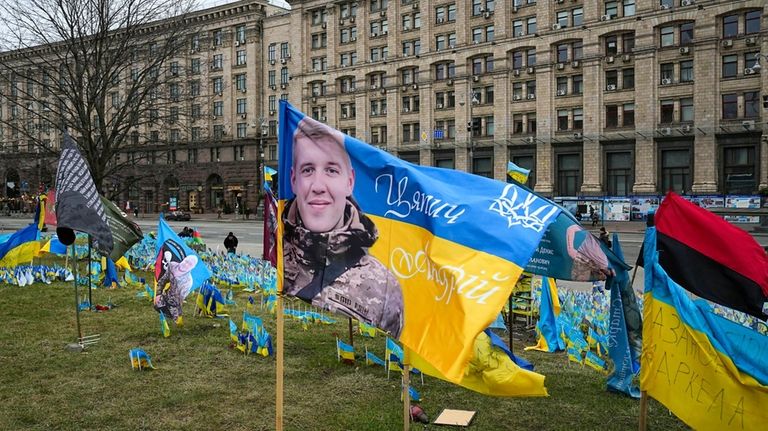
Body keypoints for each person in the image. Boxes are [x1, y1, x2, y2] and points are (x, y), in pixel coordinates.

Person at [282, 116, 403, 338]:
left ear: (349, 181)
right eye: (308, 170)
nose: (318, 186)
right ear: (293, 180)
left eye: (331, 170)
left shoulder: (383, 286)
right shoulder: (275, 256)